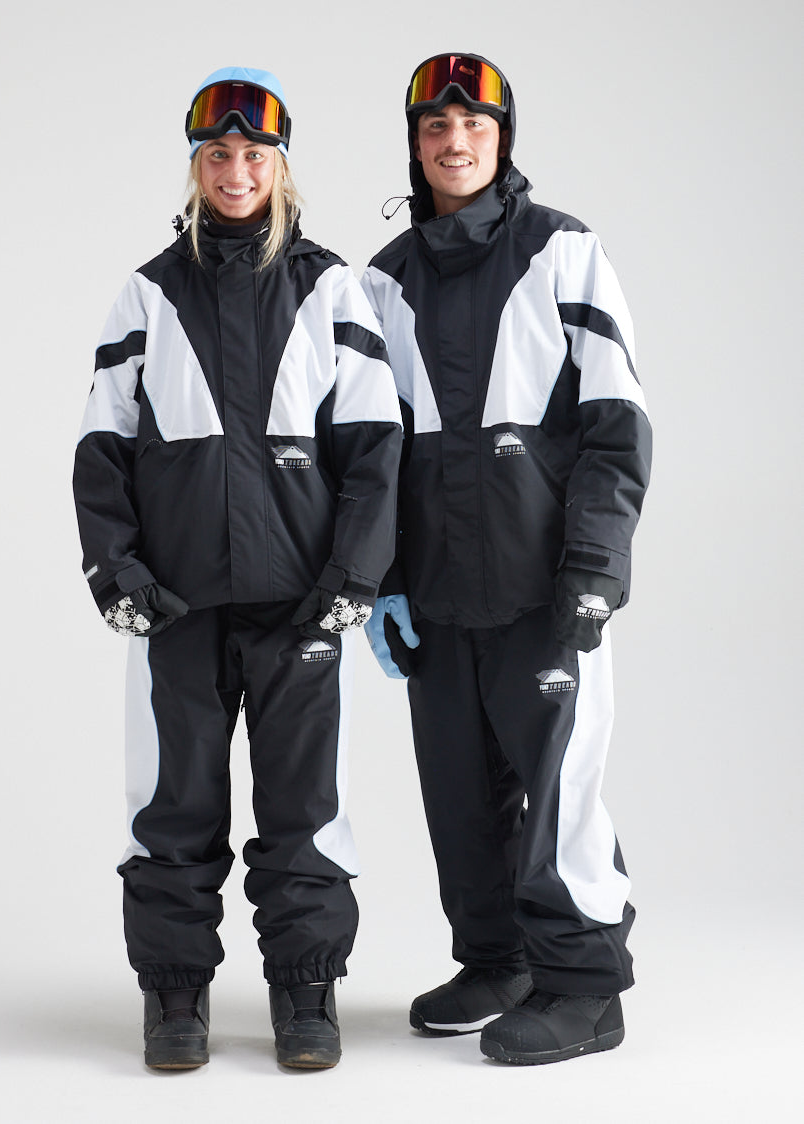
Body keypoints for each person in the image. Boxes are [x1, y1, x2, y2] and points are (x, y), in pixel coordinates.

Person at [72, 67, 402, 1071]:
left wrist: (352, 577)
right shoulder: (148, 291)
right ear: (195, 165)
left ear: (280, 166)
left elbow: (375, 447)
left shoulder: (329, 286)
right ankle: (175, 995)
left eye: (254, 153)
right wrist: (117, 574)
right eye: (216, 153)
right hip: (176, 606)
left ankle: (306, 991)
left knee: (304, 804)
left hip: (301, 606)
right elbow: (101, 448)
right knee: (173, 804)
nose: (235, 170)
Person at [362, 53, 652, 1065]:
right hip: (437, 588)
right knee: (457, 788)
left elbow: (614, 423)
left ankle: (584, 985)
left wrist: (593, 566)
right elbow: (374, 449)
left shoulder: (562, 252)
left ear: (501, 138)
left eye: (473, 127)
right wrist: (383, 583)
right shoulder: (383, 280)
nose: (455, 144)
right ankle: (497, 960)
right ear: (415, 144)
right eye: (435, 128)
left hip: (541, 582)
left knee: (558, 785)